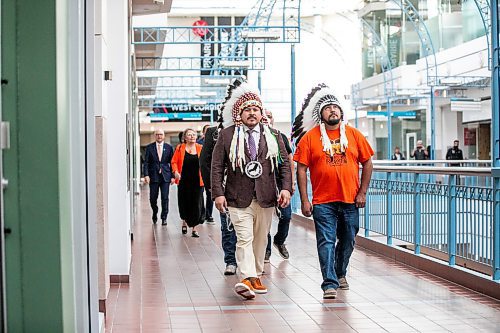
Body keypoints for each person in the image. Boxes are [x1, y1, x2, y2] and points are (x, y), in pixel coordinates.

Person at [211, 79, 292, 300]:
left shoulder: (274, 135)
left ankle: (255, 275)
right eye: (247, 109)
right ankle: (246, 277)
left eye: (256, 109)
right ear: (239, 113)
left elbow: (285, 164)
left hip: (266, 196)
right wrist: (218, 193)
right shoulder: (227, 135)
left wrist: (286, 189)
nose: (252, 113)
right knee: (244, 238)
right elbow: (216, 166)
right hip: (237, 197)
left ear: (261, 112)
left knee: (260, 239)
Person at [292, 84, 374, 300]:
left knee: (348, 239)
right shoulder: (310, 138)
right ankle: (329, 283)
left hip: (350, 200)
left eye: (335, 107)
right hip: (323, 201)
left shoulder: (355, 135)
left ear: (341, 112)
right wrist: (304, 199)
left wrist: (362, 192)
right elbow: (301, 168)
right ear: (321, 115)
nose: (332, 111)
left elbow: (367, 162)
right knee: (326, 241)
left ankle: (340, 272)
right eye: (327, 108)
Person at [200, 125, 238, 275]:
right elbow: (204, 161)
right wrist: (213, 188)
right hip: (225, 187)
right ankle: (230, 261)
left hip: (251, 189)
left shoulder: (255, 130)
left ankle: (251, 261)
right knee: (228, 225)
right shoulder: (215, 132)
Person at [263, 110, 295, 262]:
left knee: (286, 216)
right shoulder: (255, 138)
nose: (266, 119)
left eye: (269, 116)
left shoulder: (279, 136)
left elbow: (289, 161)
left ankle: (279, 241)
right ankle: (266, 249)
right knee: (265, 219)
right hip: (264, 183)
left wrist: (290, 184)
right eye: (264, 116)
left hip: (281, 183)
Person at [172, 128, 205, 237]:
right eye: (189, 135)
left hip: (197, 181)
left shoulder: (201, 148)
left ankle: (195, 228)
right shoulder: (180, 148)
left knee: (197, 203)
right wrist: (176, 172)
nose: (192, 136)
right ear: (185, 137)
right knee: (184, 202)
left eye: (194, 134)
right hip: (183, 180)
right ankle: (184, 221)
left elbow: (206, 162)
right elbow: (174, 162)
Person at [143, 129, 175, 225]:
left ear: (164, 136)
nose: (159, 136)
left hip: (165, 176)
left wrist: (173, 176)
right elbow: (146, 162)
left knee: (165, 198)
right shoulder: (149, 147)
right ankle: (155, 212)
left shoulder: (169, 147)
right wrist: (146, 175)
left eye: (161, 134)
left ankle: (164, 217)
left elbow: (172, 163)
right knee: (153, 198)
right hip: (153, 176)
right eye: (157, 134)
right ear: (155, 136)